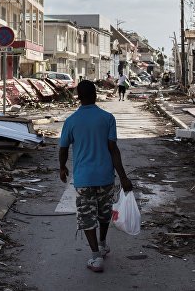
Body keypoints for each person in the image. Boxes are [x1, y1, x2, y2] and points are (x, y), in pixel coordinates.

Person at [58, 81, 134, 273]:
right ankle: (102, 244)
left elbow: (63, 148)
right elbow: (113, 149)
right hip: (105, 177)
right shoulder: (107, 118)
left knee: (86, 216)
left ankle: (95, 256)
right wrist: (123, 177)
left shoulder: (71, 121)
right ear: (95, 95)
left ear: (79, 97)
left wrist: (62, 167)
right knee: (104, 213)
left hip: (84, 179)